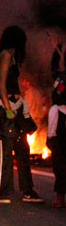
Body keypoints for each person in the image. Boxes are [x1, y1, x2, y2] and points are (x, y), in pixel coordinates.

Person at [0, 26, 42, 203]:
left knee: (22, 147)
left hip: (13, 107)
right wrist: (8, 109)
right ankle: (1, 191)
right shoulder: (6, 56)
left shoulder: (8, 57)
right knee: (7, 147)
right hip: (4, 108)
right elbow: (1, 85)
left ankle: (28, 190)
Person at [47, 35, 66, 208]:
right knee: (59, 160)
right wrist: (57, 47)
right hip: (60, 121)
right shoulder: (59, 77)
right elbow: (54, 67)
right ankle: (60, 195)